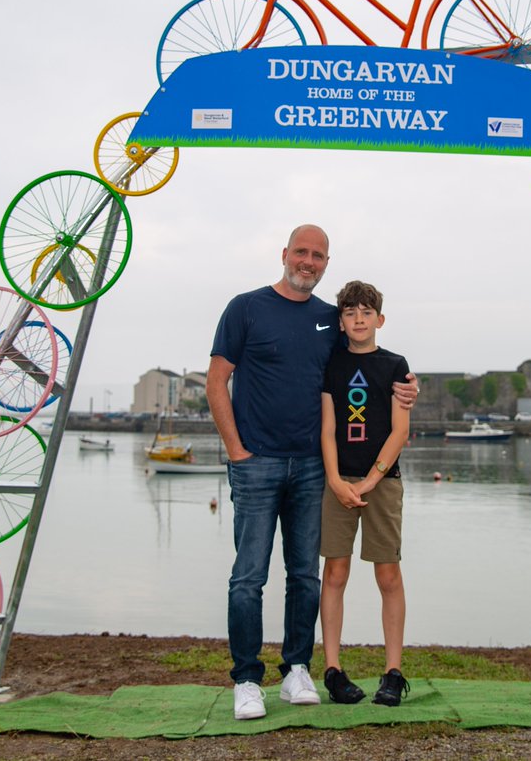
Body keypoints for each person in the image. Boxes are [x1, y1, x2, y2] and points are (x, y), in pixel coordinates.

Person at [207, 225, 417, 721]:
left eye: (317, 255)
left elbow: (371, 365)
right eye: (301, 252)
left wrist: (409, 387)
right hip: (256, 463)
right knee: (248, 577)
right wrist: (236, 450)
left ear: (326, 263)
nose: (308, 261)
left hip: (311, 469)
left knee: (305, 575)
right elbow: (217, 381)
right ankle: (246, 679)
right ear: (285, 254)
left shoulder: (331, 319)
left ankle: (297, 669)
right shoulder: (245, 308)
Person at [319, 280, 412, 707]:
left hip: (383, 483)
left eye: (366, 312)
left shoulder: (395, 366)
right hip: (338, 481)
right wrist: (336, 480)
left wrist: (370, 482)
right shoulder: (332, 364)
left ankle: (393, 673)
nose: (358, 319)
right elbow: (328, 429)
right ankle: (333, 671)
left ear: (380, 319)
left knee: (388, 575)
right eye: (350, 312)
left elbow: (400, 431)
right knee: (335, 573)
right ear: (341, 321)